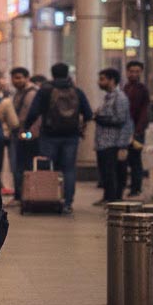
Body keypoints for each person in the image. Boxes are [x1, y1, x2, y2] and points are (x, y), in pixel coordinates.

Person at [25, 63, 93, 214]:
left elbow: (33, 112)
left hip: (49, 135)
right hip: (71, 136)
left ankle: (48, 199)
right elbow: (88, 114)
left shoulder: (45, 90)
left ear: (52, 73)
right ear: (67, 73)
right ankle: (67, 203)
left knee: (48, 168)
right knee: (68, 169)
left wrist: (26, 127)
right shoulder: (76, 91)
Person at [93, 68, 132, 205]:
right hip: (103, 141)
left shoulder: (120, 97)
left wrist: (100, 118)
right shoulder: (107, 97)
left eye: (103, 79)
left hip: (113, 141)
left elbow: (121, 119)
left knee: (112, 172)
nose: (99, 82)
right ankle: (107, 196)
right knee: (105, 172)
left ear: (112, 80)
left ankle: (113, 198)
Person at [8, 68, 39, 202]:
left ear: (27, 78)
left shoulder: (32, 93)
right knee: (19, 165)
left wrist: (29, 133)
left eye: (19, 77)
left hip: (27, 134)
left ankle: (24, 194)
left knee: (23, 164)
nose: (16, 80)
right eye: (14, 78)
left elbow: (30, 115)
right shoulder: (19, 93)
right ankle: (21, 194)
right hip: (21, 133)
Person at [123, 61, 150, 197]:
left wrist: (138, 130)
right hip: (125, 130)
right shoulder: (125, 88)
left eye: (137, 71)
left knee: (135, 159)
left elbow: (144, 112)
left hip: (136, 130)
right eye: (132, 71)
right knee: (126, 159)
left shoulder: (142, 89)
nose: (134, 74)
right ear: (127, 72)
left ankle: (136, 187)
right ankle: (132, 184)